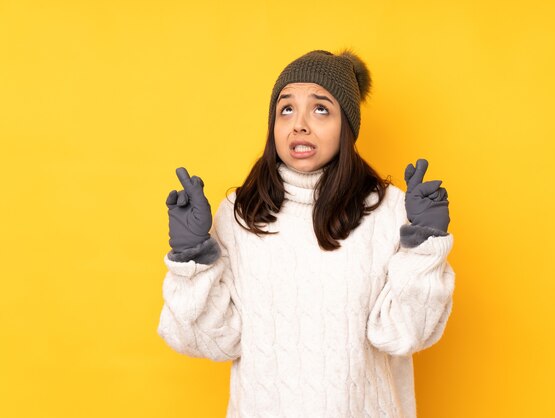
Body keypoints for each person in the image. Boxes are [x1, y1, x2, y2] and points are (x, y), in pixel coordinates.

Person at [157, 48, 455, 418]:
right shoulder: (241, 212)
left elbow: (405, 334)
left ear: (346, 126)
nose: (299, 124)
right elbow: (212, 341)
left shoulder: (388, 209)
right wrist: (193, 257)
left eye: (320, 108)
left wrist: (424, 245)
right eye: (286, 109)